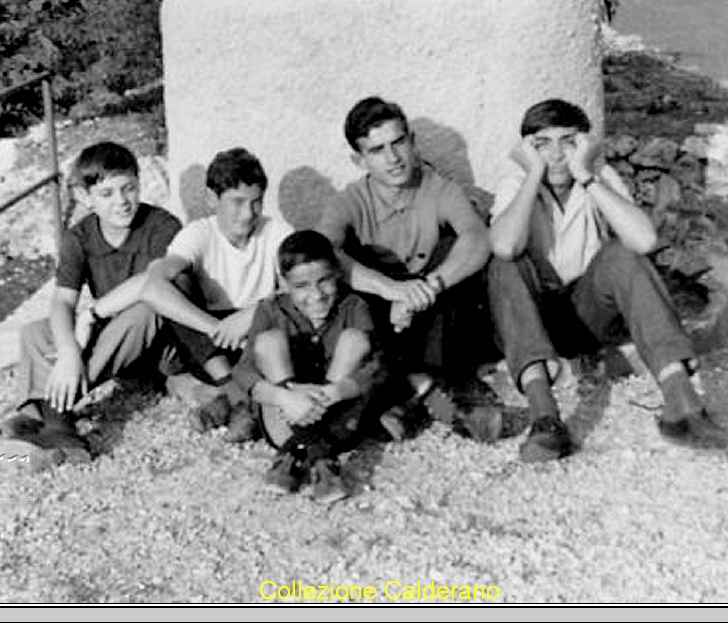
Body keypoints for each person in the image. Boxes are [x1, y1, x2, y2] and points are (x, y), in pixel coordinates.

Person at [487, 99, 728, 462]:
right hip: (531, 321)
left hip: (586, 315)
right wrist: (532, 175)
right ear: (528, 149)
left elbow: (644, 241)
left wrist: (587, 175)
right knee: (505, 265)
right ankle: (545, 418)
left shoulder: (597, 176)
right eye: (543, 143)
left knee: (622, 253)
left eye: (568, 141)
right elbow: (503, 245)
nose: (558, 154)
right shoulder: (516, 182)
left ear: (584, 144)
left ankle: (681, 404)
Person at [317, 96, 502, 442]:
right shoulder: (350, 200)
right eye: (377, 150)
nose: (393, 158)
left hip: (430, 310)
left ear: (412, 141)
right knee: (352, 277)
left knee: (453, 256)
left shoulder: (439, 188)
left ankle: (410, 396)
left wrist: (424, 290)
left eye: (398, 142)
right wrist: (393, 290)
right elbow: (323, 253)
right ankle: (424, 391)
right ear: (359, 160)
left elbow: (478, 238)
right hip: (384, 313)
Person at [3, 142, 182, 467]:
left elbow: (152, 283)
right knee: (35, 332)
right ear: (86, 198)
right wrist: (69, 353)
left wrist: (92, 314)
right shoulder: (79, 238)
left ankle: (55, 414)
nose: (122, 202)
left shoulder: (161, 226)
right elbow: (61, 302)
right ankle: (51, 422)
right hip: (116, 343)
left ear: (139, 184)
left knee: (146, 308)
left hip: (159, 346)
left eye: (129, 188)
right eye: (107, 194)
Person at [111, 147, 294, 442]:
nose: (248, 214)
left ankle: (227, 403)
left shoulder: (274, 231)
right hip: (209, 343)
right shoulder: (199, 233)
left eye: (256, 203)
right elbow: (154, 284)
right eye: (237, 202)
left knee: (287, 313)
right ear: (212, 199)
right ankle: (234, 390)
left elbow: (296, 285)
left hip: (254, 331)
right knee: (176, 283)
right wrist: (216, 328)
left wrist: (248, 317)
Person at [234, 230, 387, 502]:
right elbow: (244, 372)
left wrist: (337, 391)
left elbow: (378, 368)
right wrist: (286, 395)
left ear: (338, 273)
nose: (316, 294)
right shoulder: (270, 310)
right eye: (301, 286)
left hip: (338, 423)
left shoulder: (354, 306)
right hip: (283, 418)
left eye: (325, 280)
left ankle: (299, 457)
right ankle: (320, 458)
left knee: (355, 340)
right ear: (285, 284)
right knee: (268, 341)